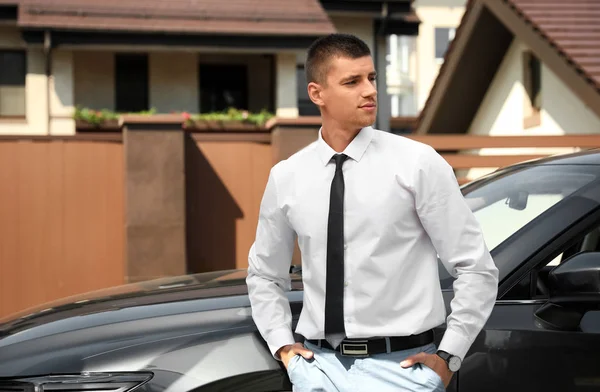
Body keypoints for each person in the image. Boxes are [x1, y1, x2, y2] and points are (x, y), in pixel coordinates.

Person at [246, 33, 499, 392]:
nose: (369, 91)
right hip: (317, 371)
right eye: (352, 82)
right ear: (317, 93)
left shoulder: (418, 164)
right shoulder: (287, 176)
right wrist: (284, 346)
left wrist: (447, 358)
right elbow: (265, 275)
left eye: (372, 78)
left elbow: (476, 267)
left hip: (403, 371)